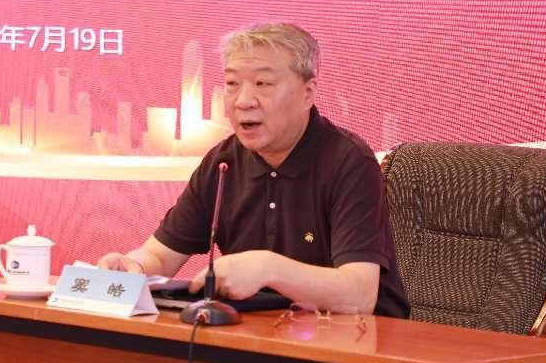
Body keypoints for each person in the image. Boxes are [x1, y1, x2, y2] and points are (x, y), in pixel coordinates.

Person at [98, 23, 409, 317]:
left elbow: (359, 296)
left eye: (263, 84)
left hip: (359, 340)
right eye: (232, 84)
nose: (243, 101)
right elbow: (160, 256)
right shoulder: (223, 163)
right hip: (259, 334)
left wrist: (268, 268)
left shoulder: (348, 161)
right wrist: (133, 266)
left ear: (308, 93)